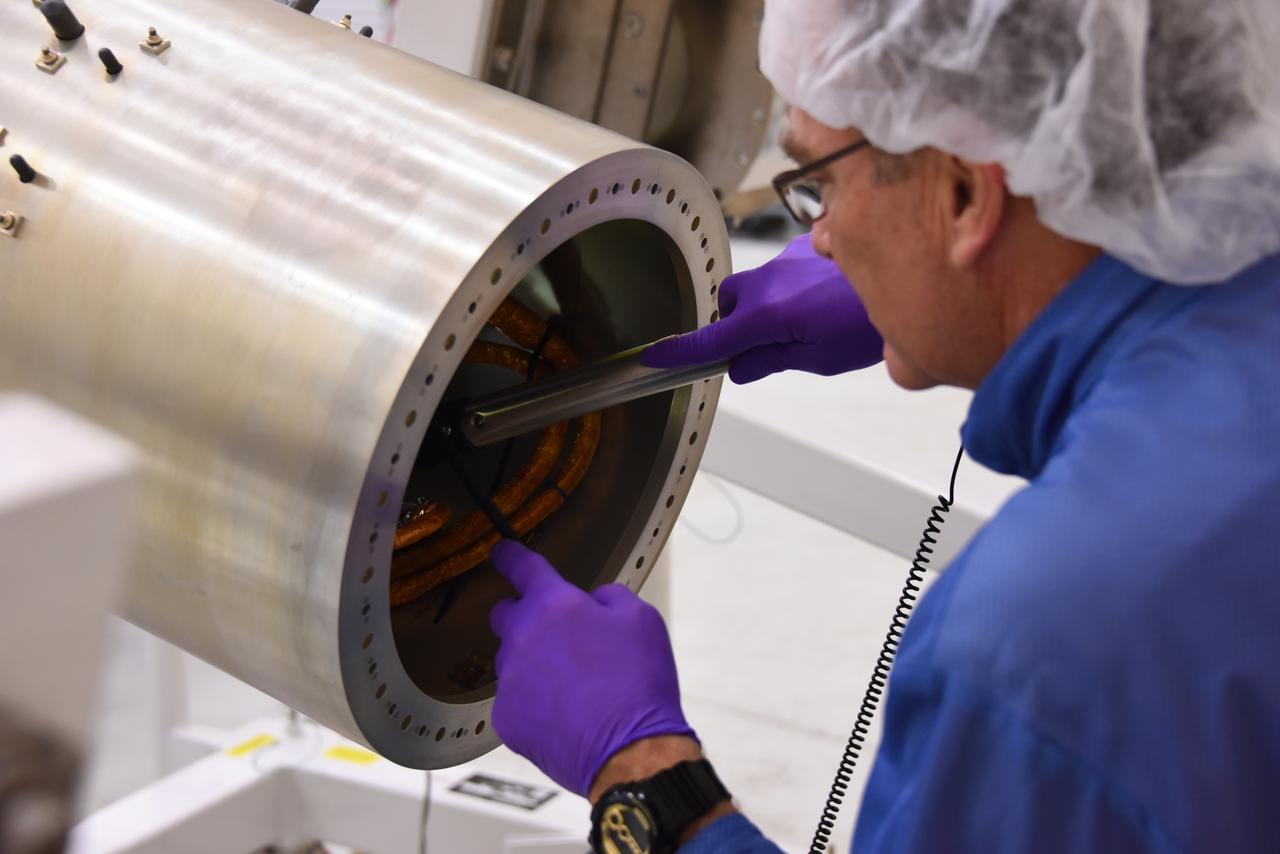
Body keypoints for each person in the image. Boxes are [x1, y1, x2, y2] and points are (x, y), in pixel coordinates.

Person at [486, 0, 1280, 850]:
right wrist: (955, 293)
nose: (819, 239)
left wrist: (643, 777)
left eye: (820, 188)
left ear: (969, 192)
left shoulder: (1041, 656)